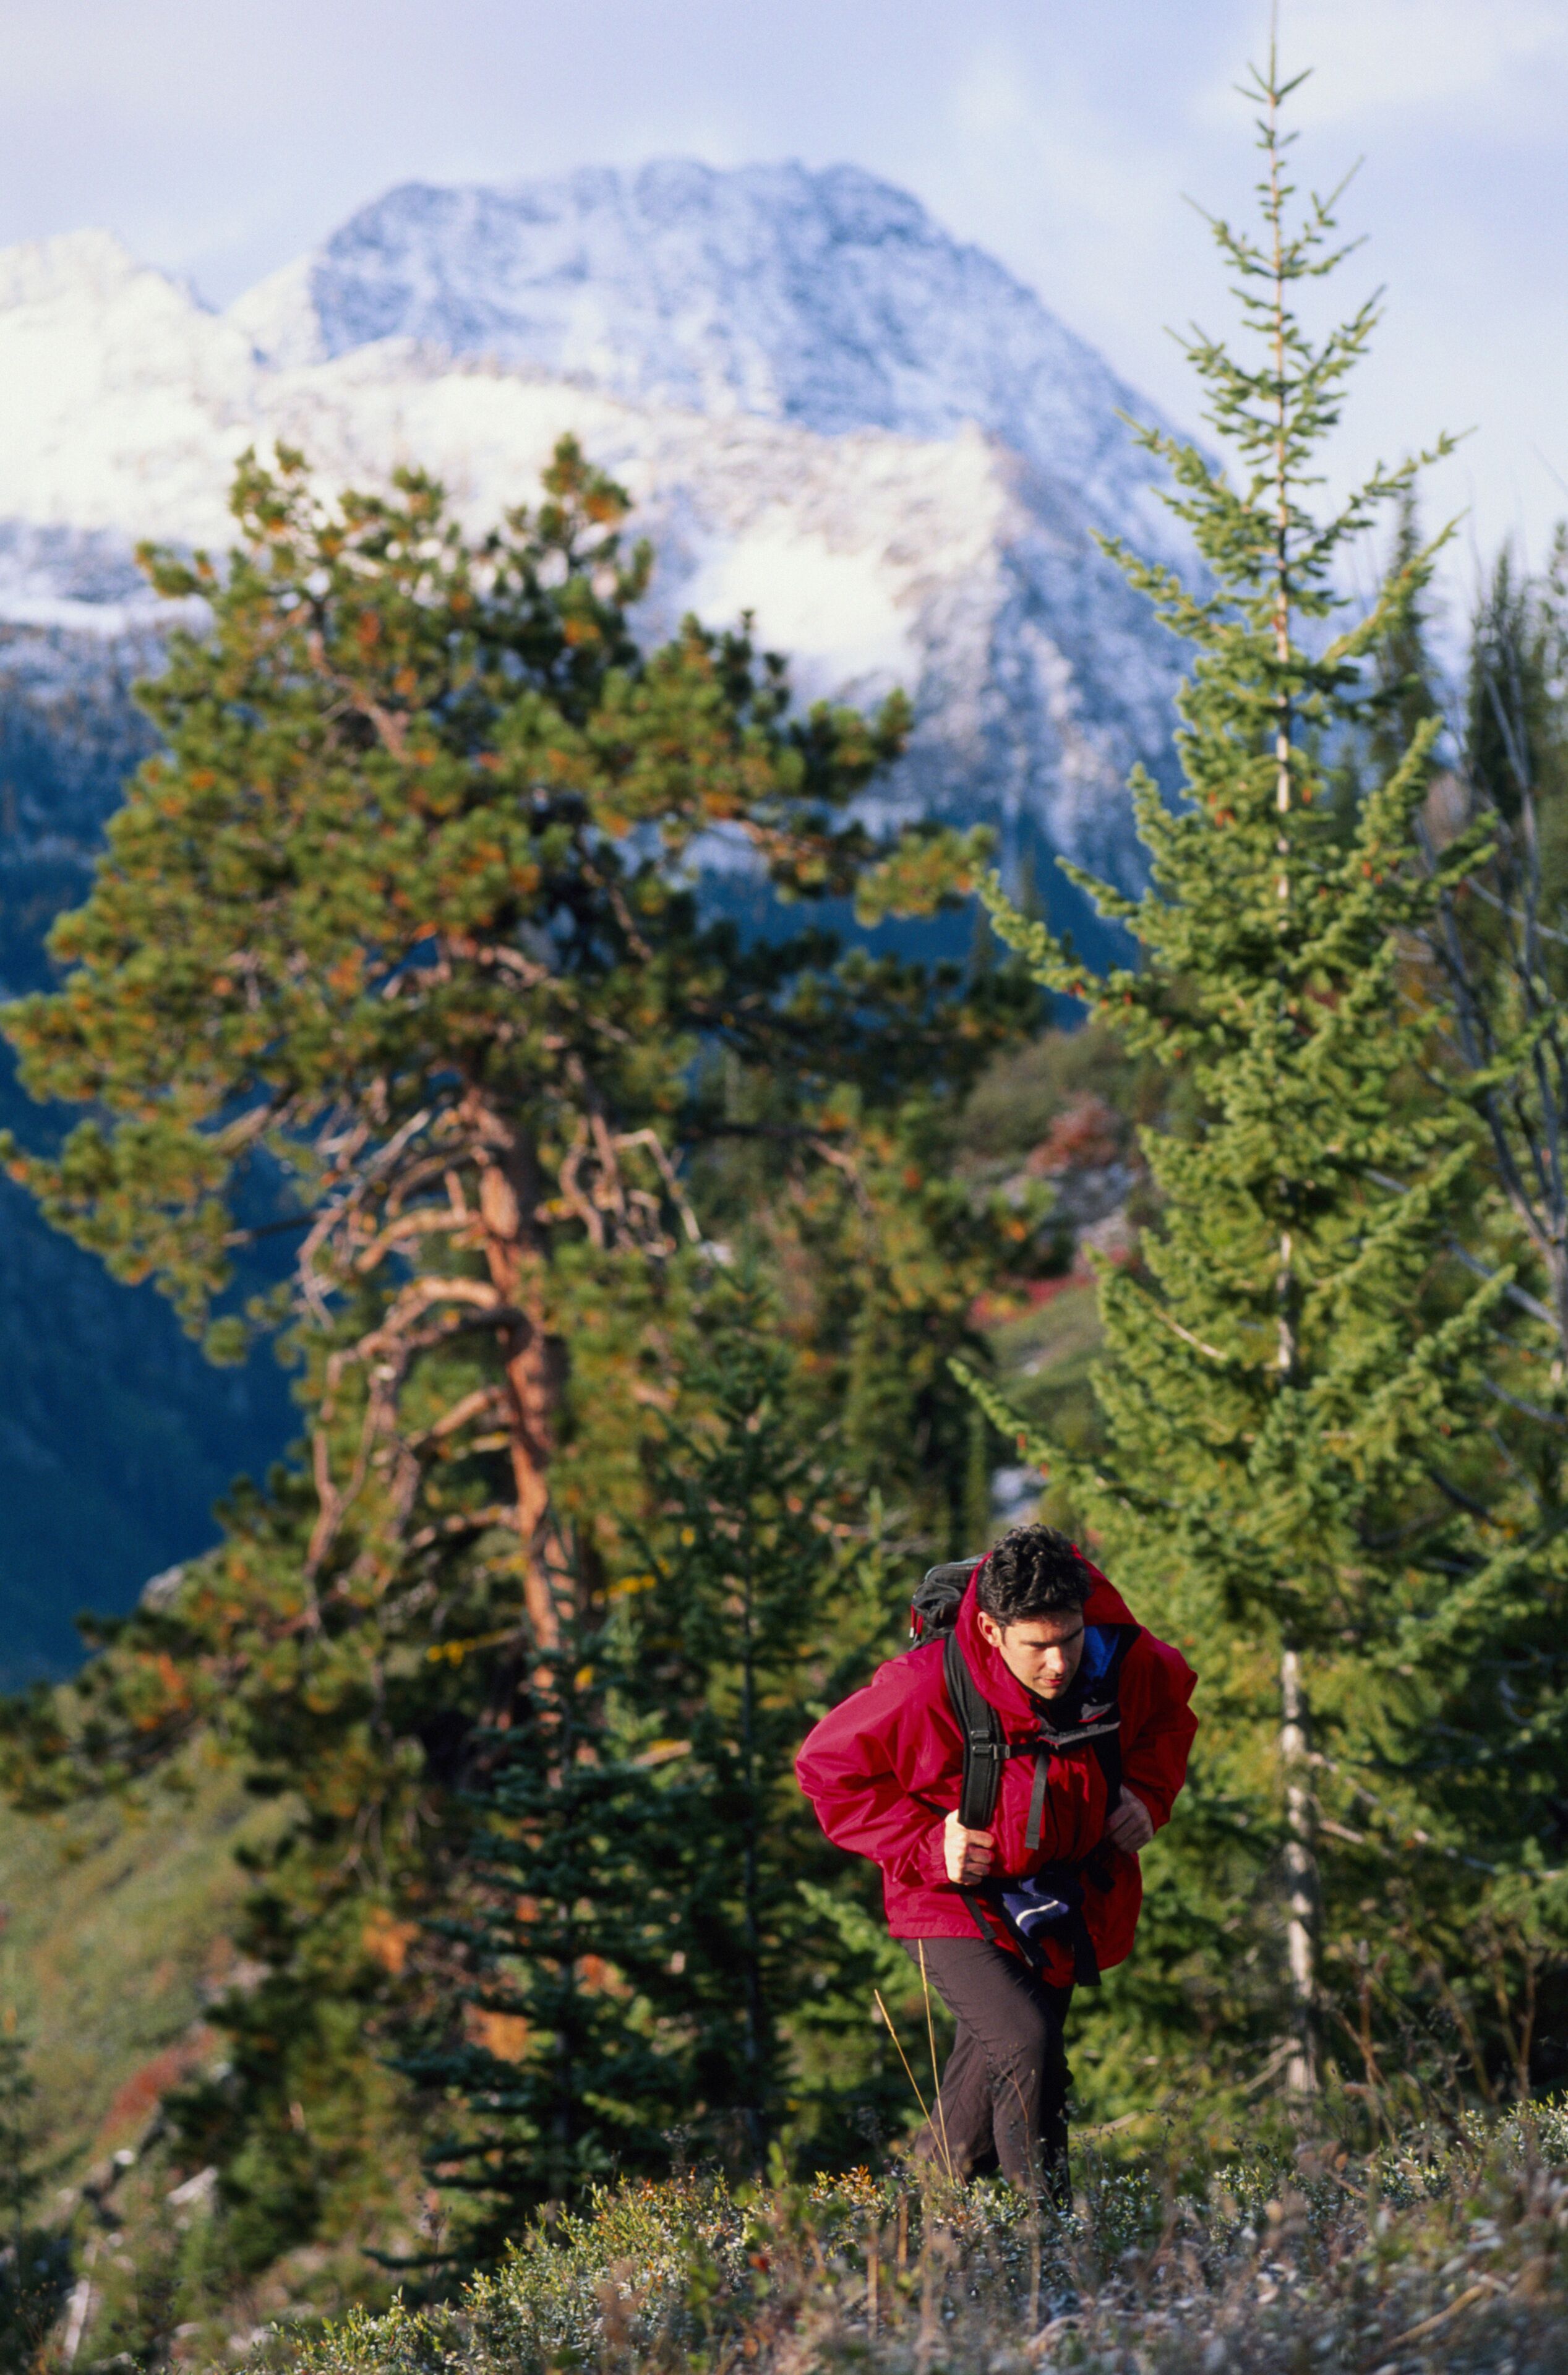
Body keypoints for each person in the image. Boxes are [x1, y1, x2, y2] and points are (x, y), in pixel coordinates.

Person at [796, 1523, 1196, 2199]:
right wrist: (928, 1844)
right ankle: (1046, 2240)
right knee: (1024, 2042)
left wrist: (1150, 1797)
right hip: (949, 1894)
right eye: (1037, 1646)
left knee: (986, 2091)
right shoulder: (922, 1687)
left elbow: (1170, 1714)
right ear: (989, 1630)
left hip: (1058, 1892)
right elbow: (827, 1769)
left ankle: (923, 2233)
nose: (1059, 1665)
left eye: (1068, 1638)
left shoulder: (1118, 1658)